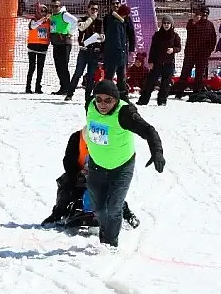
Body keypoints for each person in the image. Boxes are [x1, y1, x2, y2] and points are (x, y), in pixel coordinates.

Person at [84, 80, 164, 247]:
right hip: (96, 165)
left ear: (116, 99)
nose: (102, 104)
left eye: (108, 100)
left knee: (114, 208)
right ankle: (106, 230)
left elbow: (149, 130)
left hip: (121, 167)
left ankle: (110, 244)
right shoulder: (89, 105)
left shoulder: (125, 113)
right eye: (99, 99)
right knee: (98, 209)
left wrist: (157, 152)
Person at [41, 127, 139, 229]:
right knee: (65, 182)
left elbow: (113, 161)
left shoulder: (108, 141)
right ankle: (58, 214)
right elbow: (68, 160)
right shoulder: (76, 138)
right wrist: (77, 173)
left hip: (101, 175)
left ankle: (126, 215)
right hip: (78, 175)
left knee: (113, 190)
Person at [138, 14, 181, 106]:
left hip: (169, 63)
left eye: (168, 23)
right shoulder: (157, 35)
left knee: (165, 84)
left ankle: (162, 100)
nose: (166, 25)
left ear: (171, 24)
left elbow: (179, 47)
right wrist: (150, 61)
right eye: (164, 23)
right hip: (157, 63)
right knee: (150, 82)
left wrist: (173, 50)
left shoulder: (175, 36)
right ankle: (143, 100)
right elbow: (152, 49)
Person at [25, 3, 50, 94]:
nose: (43, 13)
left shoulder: (48, 21)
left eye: (45, 11)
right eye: (41, 11)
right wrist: (40, 21)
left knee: (40, 68)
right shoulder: (34, 20)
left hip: (43, 47)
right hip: (32, 46)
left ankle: (38, 87)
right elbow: (33, 26)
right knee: (32, 67)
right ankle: (28, 87)